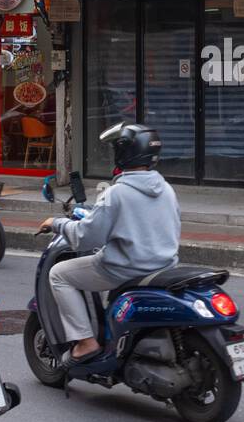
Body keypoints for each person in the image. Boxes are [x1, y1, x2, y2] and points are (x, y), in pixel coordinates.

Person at [38, 123, 181, 364]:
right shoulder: (166, 189)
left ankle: (85, 342)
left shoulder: (117, 193)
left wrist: (58, 223)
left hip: (125, 268)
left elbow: (87, 237)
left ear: (124, 153)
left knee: (58, 274)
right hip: (164, 267)